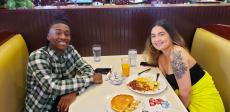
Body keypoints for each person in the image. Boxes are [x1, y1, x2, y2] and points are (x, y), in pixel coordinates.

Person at [143, 19, 225, 111]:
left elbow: (185, 92)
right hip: (184, 98)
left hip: (204, 102)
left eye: (161, 34)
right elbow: (161, 84)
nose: (157, 39)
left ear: (171, 36)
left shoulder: (177, 54)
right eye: (153, 36)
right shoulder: (161, 58)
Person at [24, 18, 103, 112]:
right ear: (48, 36)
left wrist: (74, 92)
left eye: (67, 34)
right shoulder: (38, 56)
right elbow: (53, 86)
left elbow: (87, 69)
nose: (63, 37)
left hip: (63, 100)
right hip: (42, 107)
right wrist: (91, 79)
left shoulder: (70, 50)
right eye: (58, 33)